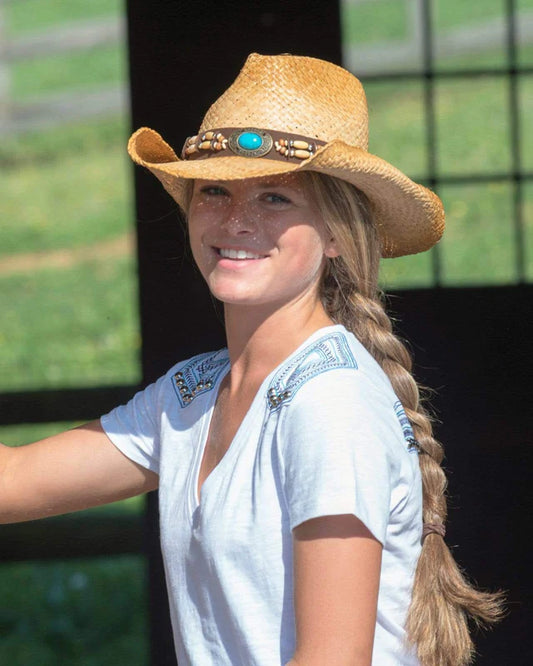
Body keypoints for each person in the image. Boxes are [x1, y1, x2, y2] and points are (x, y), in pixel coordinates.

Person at [0, 53, 502, 665]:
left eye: (274, 198)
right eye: (214, 190)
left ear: (339, 233)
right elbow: (13, 482)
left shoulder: (329, 403)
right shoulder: (192, 393)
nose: (236, 219)